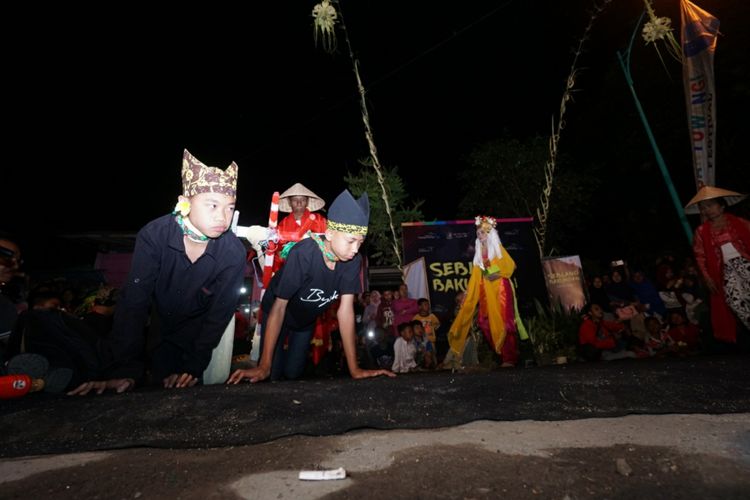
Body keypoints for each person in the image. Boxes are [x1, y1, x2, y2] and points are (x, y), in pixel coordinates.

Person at [69, 149, 246, 395]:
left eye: (229, 207)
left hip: (197, 331)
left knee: (182, 393)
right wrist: (124, 369)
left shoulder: (234, 252)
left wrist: (192, 366)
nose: (222, 217)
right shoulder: (154, 236)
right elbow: (134, 303)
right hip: (156, 322)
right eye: (212, 205)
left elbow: (218, 314)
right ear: (185, 201)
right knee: (139, 388)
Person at [227, 189, 395, 383]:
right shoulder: (304, 255)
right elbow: (279, 306)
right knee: (272, 372)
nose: (355, 249)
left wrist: (355, 369)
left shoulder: (352, 261)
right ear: (330, 234)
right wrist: (264, 366)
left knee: (293, 372)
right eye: (350, 241)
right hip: (277, 313)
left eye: (360, 242)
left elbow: (345, 311)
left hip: (305, 321)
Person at [446, 216, 527, 368]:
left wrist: (497, 274)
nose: (480, 235)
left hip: (500, 289)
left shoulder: (497, 249)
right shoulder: (478, 255)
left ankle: (509, 358)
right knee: (484, 323)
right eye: (478, 233)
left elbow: (511, 266)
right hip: (485, 291)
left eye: (483, 232)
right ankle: (502, 353)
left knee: (505, 322)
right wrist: (467, 293)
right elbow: (475, 277)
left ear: (490, 234)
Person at [685, 185, 750, 347]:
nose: (708, 210)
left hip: (746, 264)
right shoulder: (701, 231)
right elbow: (700, 257)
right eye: (704, 207)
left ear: (722, 205)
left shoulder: (740, 222)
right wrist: (707, 278)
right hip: (725, 271)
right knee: (735, 302)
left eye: (711, 205)